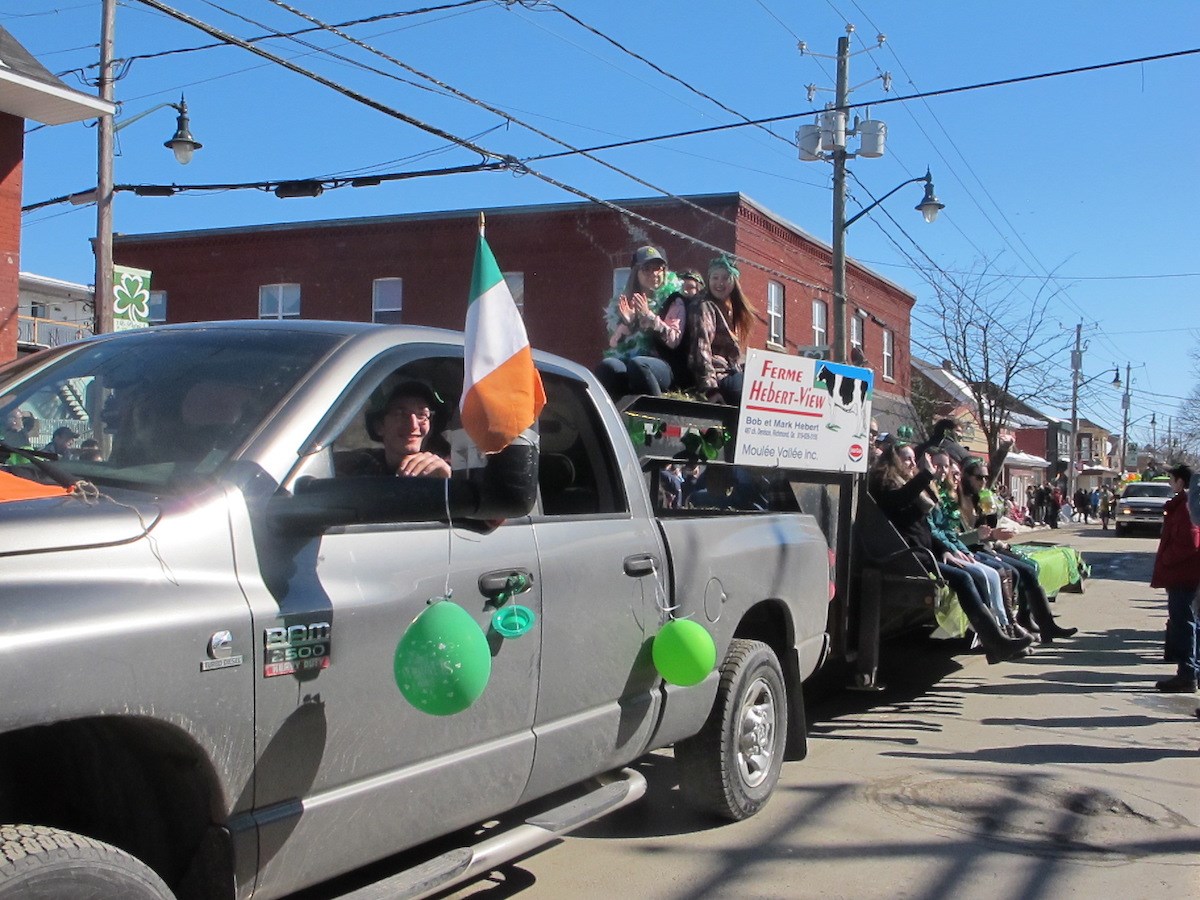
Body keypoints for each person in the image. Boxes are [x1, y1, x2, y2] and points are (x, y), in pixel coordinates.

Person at [868, 442, 1031, 664]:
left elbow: (929, 526)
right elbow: (899, 501)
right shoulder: (886, 484)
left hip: (926, 552)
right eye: (907, 459)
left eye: (913, 460)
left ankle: (997, 641)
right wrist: (925, 474)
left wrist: (945, 549)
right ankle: (996, 642)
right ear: (893, 460)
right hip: (909, 555)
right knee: (964, 577)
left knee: (976, 574)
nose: (912, 464)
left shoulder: (908, 484)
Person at [956, 457, 1078, 644]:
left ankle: (1043, 625)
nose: (983, 482)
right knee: (1014, 572)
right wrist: (989, 536)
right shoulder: (958, 500)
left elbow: (986, 532)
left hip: (987, 546)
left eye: (985, 478)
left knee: (1029, 568)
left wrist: (995, 524)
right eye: (979, 477)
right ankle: (1008, 626)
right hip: (971, 550)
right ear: (966, 477)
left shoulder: (980, 497)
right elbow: (962, 537)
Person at [596, 246, 686, 398]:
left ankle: (656, 412)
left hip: (664, 364)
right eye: (647, 269)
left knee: (639, 365)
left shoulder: (674, 300)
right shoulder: (625, 302)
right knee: (608, 366)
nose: (654, 274)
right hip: (632, 361)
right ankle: (611, 416)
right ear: (635, 273)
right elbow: (613, 345)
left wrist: (649, 317)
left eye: (659, 268)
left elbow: (673, 341)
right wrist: (629, 323)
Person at [1149, 464, 1200, 693]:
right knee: (1186, 623)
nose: (1170, 483)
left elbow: (1189, 542)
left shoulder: (1188, 507)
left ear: (1181, 482)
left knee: (1184, 624)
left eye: (1171, 478)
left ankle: (1187, 673)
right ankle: (1188, 671)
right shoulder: (1183, 505)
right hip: (1183, 573)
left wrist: (1167, 560)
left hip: (1184, 574)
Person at [338, 381, 451, 479]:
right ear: (379, 426)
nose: (413, 425)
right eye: (400, 414)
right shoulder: (359, 466)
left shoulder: (451, 467)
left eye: (422, 414)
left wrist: (445, 482)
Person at [689, 254, 754, 404]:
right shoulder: (703, 306)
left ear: (734, 282)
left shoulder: (733, 310)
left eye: (725, 278)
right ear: (708, 280)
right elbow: (701, 349)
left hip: (730, 371)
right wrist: (710, 389)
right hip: (716, 377)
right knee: (744, 389)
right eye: (715, 277)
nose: (719, 283)